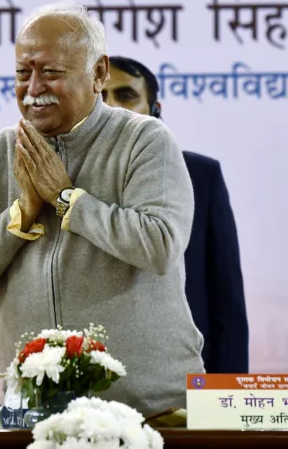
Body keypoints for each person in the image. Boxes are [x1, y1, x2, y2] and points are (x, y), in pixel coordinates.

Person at [0, 0, 205, 416]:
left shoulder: (144, 141)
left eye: (51, 72)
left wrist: (67, 200)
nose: (34, 87)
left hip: (146, 411)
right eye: (23, 73)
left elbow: (161, 244)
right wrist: (20, 214)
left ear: (98, 73)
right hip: (28, 413)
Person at [102, 55, 249, 373]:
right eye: (100, 96)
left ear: (155, 110)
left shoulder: (199, 175)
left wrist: (225, 404)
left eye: (126, 95)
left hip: (185, 378)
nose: (112, 107)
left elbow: (227, 303)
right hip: (93, 379)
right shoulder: (63, 185)